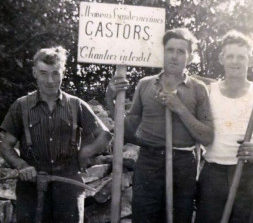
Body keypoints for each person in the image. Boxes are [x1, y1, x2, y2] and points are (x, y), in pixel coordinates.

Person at [106, 28, 214, 223]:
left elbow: (207, 137)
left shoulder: (199, 89)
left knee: (179, 218)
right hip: (149, 161)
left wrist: (179, 108)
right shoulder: (145, 85)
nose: (174, 56)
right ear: (162, 52)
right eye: (170, 50)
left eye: (181, 52)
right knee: (144, 217)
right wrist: (110, 101)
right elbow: (128, 132)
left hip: (183, 164)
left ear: (189, 57)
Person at [0, 46, 111, 223]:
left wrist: (85, 153)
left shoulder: (76, 105)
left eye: (55, 73)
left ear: (63, 73)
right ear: (35, 73)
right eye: (44, 73)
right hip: (32, 183)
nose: (50, 80)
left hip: (67, 180)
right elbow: (6, 145)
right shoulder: (20, 106)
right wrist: (21, 165)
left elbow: (104, 135)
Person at [195, 30, 253, 223]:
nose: (235, 62)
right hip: (214, 173)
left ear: (251, 61)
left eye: (241, 57)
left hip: (249, 174)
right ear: (221, 59)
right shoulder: (209, 92)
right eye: (230, 56)